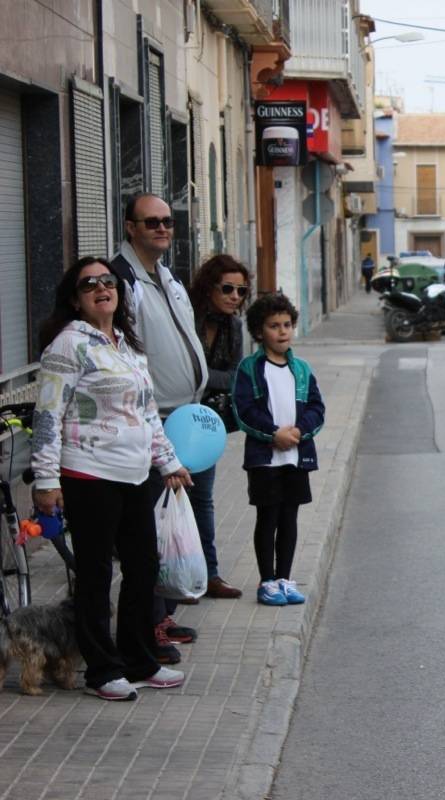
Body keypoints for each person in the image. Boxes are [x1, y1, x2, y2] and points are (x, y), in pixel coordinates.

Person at [30, 257, 190, 701]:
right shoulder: (68, 345)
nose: (101, 288)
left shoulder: (127, 345)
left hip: (137, 473)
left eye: (108, 281)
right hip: (89, 473)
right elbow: (47, 415)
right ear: (75, 299)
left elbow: (148, 413)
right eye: (89, 284)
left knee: (143, 569)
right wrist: (46, 481)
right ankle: (102, 670)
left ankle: (140, 660)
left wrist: (169, 462)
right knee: (96, 575)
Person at [110, 192, 209, 664]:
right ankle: (148, 624)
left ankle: (162, 614)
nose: (162, 229)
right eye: (151, 222)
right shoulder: (122, 278)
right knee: (148, 532)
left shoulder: (166, 277)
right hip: (153, 422)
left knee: (171, 524)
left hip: (183, 417)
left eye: (167, 221)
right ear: (130, 227)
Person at [232, 293, 325, 607]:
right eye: (274, 326)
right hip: (265, 459)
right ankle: (267, 581)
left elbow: (317, 408)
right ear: (260, 332)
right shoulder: (250, 369)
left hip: (296, 457)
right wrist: (273, 434)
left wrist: (299, 431)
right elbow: (243, 410)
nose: (282, 331)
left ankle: (285, 578)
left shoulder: (301, 369)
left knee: (290, 517)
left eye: (287, 324)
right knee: (267, 517)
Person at [188, 255, 250, 599]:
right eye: (227, 288)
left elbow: (235, 375)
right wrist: (210, 378)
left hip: (205, 421)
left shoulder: (234, 326)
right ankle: (175, 575)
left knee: (203, 498)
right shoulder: (187, 317)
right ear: (209, 286)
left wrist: (200, 377)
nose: (234, 297)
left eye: (241, 290)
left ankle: (209, 575)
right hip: (170, 415)